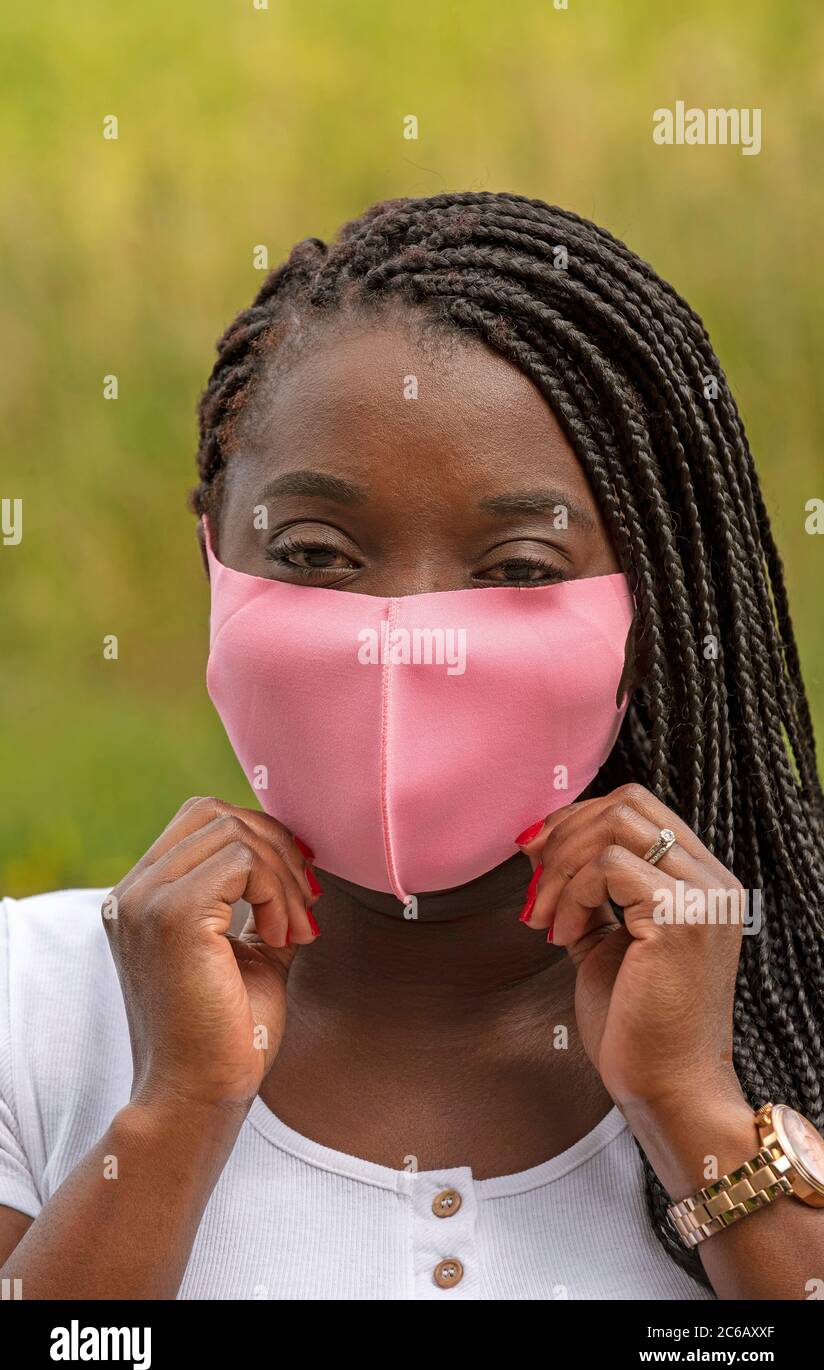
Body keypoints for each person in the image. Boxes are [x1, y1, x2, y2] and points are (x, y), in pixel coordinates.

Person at [2, 192, 823, 1301]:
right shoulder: (33, 1004)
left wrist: (696, 1111)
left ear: (652, 606)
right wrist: (178, 1110)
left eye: (521, 566)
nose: (410, 636)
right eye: (318, 552)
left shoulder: (796, 1001)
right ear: (214, 573)